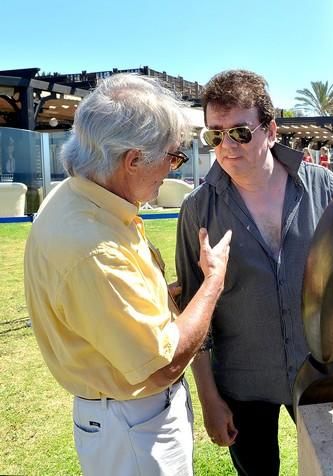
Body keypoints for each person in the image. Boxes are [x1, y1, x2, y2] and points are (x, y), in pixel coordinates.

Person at [24, 74, 233, 476]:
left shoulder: (83, 197)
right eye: (173, 157)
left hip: (123, 418)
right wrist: (212, 283)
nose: (173, 167)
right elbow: (163, 363)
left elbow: (104, 305)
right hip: (135, 426)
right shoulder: (94, 249)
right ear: (133, 160)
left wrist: (158, 296)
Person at [175, 69, 333, 476]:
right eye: (215, 135)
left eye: (240, 132)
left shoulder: (325, 188)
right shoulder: (198, 209)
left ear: (271, 130)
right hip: (242, 385)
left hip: (322, 374)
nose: (227, 146)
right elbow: (192, 315)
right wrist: (210, 400)